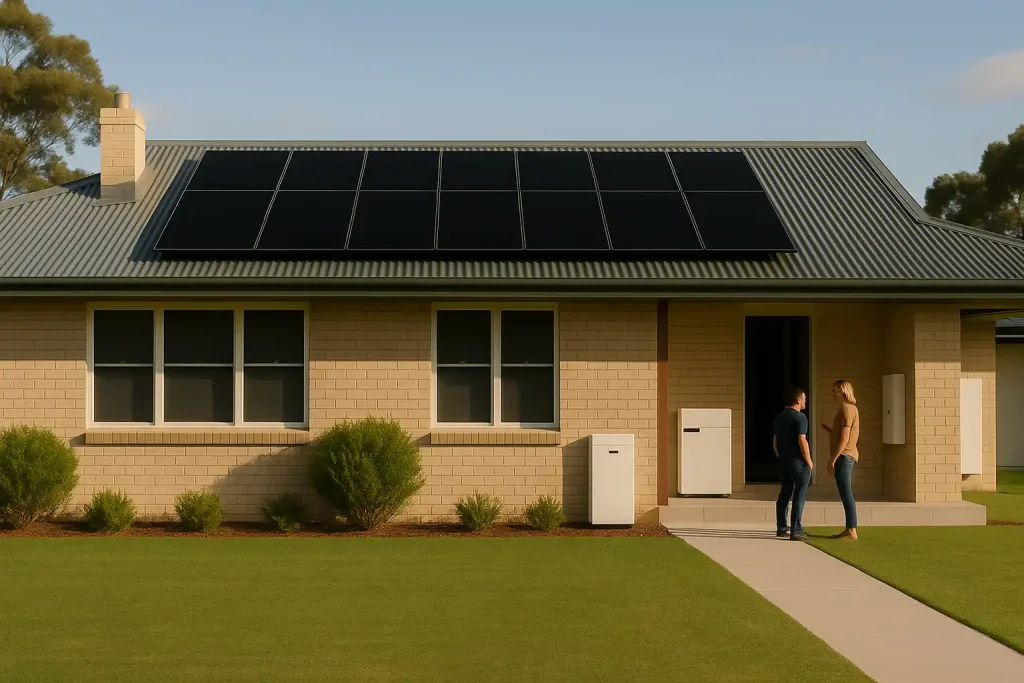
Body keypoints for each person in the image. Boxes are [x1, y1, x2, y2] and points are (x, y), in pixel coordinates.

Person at [773, 387, 813, 540]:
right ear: (798, 400)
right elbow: (802, 441)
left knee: (785, 494)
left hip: (784, 462)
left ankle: (782, 527)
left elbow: (775, 441)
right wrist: (809, 462)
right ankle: (796, 529)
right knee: (799, 495)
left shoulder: (779, 418)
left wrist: (780, 456)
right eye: (804, 399)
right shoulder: (800, 418)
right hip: (798, 463)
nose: (805, 401)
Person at [822, 379, 860, 540]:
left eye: (835, 390)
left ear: (844, 391)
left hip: (845, 456)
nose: (833, 394)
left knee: (846, 493)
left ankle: (851, 530)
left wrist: (833, 459)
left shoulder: (847, 409)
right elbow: (843, 434)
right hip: (845, 455)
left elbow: (845, 438)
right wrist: (831, 431)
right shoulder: (847, 409)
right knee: (845, 493)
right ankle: (850, 529)